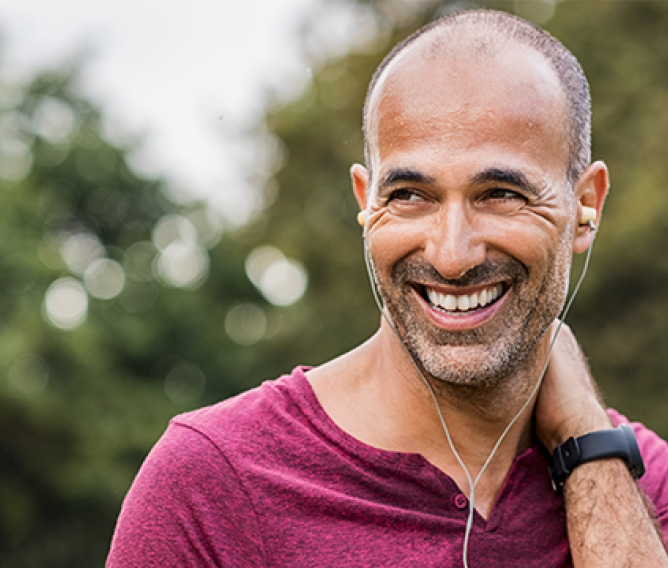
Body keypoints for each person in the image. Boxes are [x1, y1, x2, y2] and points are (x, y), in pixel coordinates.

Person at [107, 9, 668, 567]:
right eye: (408, 195)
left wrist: (588, 445)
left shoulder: (647, 488)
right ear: (365, 202)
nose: (451, 255)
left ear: (586, 207)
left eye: (501, 193)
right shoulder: (213, 485)